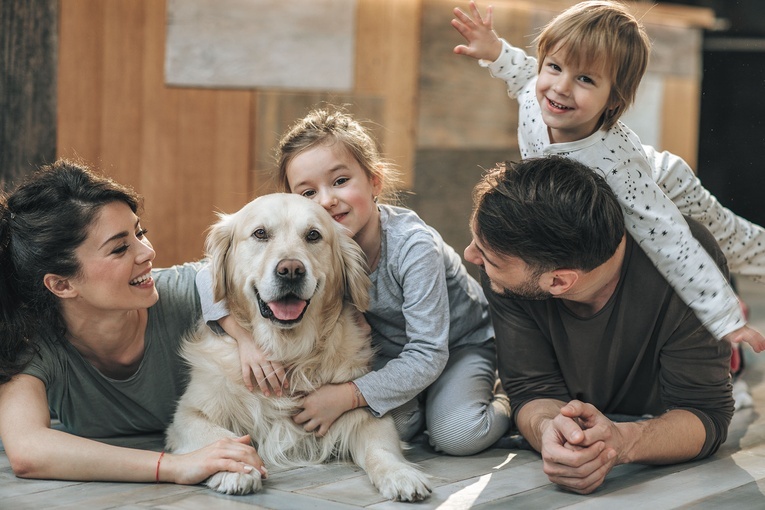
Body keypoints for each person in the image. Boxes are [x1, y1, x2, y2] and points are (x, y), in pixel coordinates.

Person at [452, 1, 765, 352]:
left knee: (736, 244)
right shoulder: (537, 98)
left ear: (614, 100)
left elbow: (674, 243)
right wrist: (493, 50)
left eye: (585, 79)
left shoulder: (614, 166)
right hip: (625, 188)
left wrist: (725, 319)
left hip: (667, 187)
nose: (560, 88)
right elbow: (524, 74)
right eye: (554, 67)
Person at [198, 107, 511, 456]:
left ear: (375, 181)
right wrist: (244, 340)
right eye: (308, 193)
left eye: (340, 181)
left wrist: (347, 396)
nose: (327, 200)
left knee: (457, 434)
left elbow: (428, 353)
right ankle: (427, 401)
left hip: (454, 348)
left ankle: (507, 400)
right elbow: (205, 271)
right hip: (388, 354)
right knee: (400, 425)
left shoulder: (414, 247)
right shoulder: (312, 247)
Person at [464, 155, 734, 494]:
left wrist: (622, 441)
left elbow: (706, 414)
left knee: (728, 360)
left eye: (487, 258)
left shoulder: (688, 258)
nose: (470, 255)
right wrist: (549, 430)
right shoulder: (507, 265)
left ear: (559, 282)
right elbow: (533, 391)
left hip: (666, 390)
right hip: (585, 388)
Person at [0, 160, 266, 484]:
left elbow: (232, 272)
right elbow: (29, 450)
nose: (147, 253)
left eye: (141, 233)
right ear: (62, 285)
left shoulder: (193, 297)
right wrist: (174, 467)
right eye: (120, 248)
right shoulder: (33, 344)